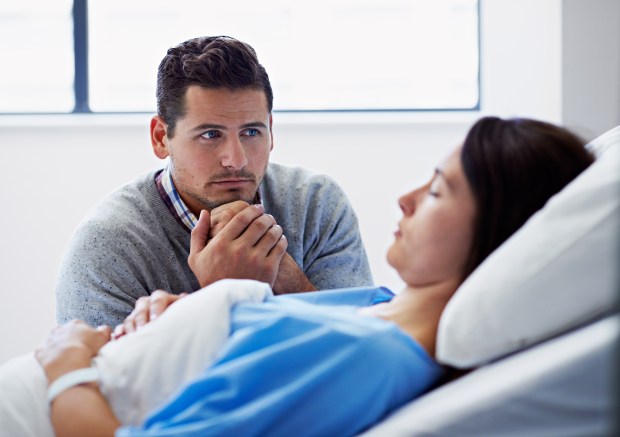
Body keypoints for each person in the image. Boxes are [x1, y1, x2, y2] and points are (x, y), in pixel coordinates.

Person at [2, 117, 594, 436]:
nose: (406, 198)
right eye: (210, 134)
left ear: (496, 231)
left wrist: (65, 368)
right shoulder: (376, 305)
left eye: (439, 190)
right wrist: (180, 314)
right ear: (163, 136)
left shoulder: (365, 352)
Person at [55, 35, 373, 329]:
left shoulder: (317, 205)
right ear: (160, 138)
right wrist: (223, 296)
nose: (236, 159)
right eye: (210, 135)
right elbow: (101, 387)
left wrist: (283, 276)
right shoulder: (106, 246)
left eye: (251, 132)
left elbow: (365, 353)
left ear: (271, 131)